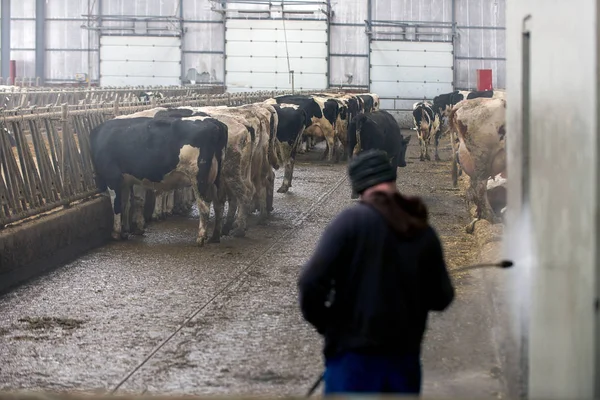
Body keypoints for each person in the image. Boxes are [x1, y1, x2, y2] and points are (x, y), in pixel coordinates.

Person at [297, 149, 455, 396]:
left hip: (353, 360)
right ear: (392, 180)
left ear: (359, 187)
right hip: (404, 360)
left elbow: (310, 283)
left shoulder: (350, 221)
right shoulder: (422, 229)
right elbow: (442, 297)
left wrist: (328, 325)